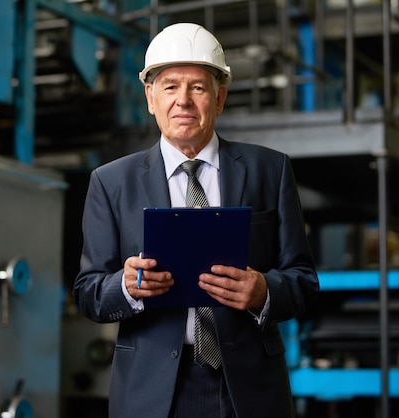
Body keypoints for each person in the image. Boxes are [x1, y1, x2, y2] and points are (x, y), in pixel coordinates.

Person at [73, 22, 319, 418]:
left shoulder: (268, 170)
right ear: (150, 97)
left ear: (219, 98)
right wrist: (128, 286)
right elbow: (88, 292)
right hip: (151, 391)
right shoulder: (110, 182)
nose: (183, 101)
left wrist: (263, 291)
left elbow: (304, 281)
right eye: (170, 87)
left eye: (198, 88)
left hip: (249, 388)